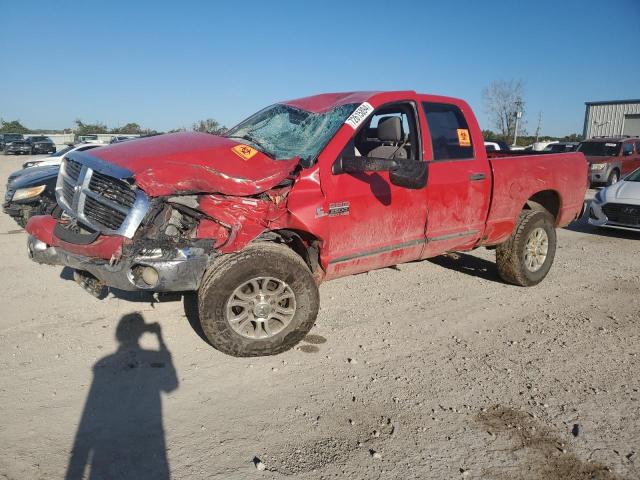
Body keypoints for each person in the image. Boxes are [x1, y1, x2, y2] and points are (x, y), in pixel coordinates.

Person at [66, 313, 178, 480]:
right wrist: (160, 338)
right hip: (147, 441)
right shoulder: (151, 356)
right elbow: (171, 385)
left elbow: (87, 416)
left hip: (109, 447)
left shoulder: (101, 365)